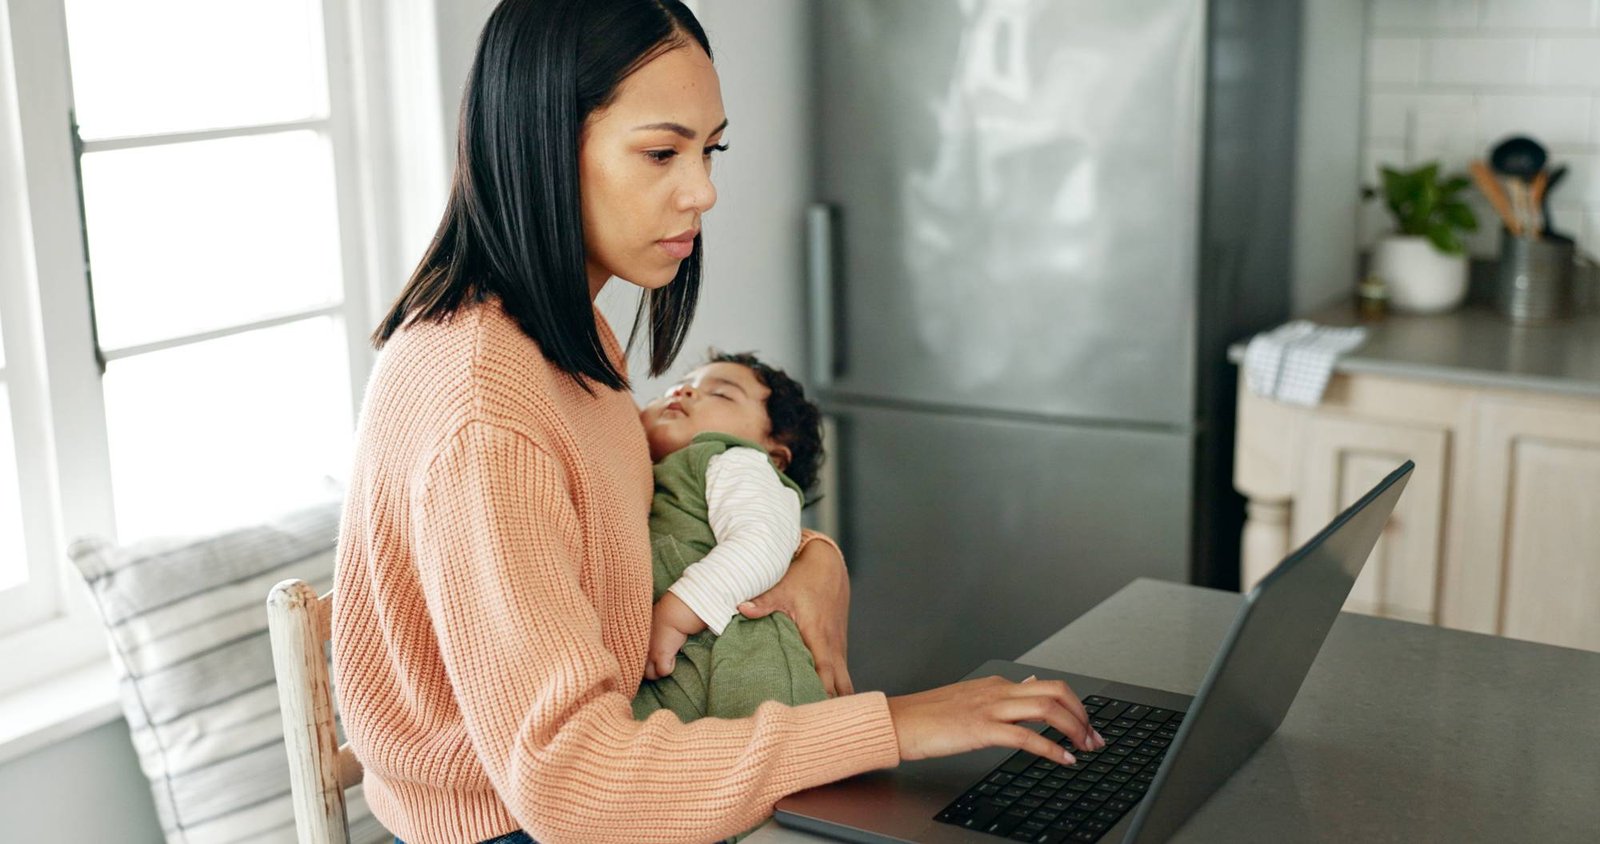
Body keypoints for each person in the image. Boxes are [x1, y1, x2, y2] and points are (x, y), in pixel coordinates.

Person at [332, 2, 1104, 842]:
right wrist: (899, 725)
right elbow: (576, 788)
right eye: (663, 152)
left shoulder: (558, 335)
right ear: (540, 143)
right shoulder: (483, 410)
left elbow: (631, 523)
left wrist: (811, 556)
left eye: (711, 150)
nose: (702, 191)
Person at [632, 351, 831, 724]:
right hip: (682, 671)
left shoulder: (734, 459)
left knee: (789, 768)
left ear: (775, 456)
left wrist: (677, 614)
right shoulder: (648, 470)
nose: (685, 393)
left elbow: (762, 540)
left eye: (721, 394)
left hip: (747, 667)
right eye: (677, 387)